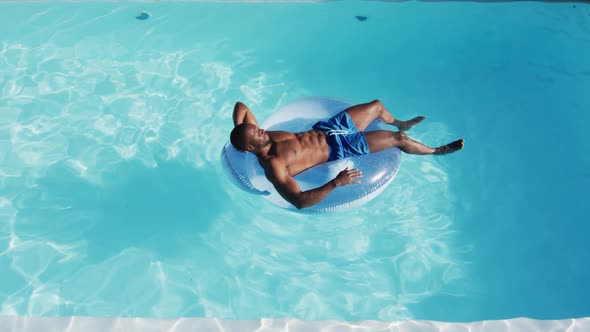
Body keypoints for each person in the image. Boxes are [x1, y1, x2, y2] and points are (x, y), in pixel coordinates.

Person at [230, 99, 464, 210]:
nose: (261, 128)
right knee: (398, 141)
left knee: (377, 106)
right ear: (251, 148)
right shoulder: (274, 165)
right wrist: (335, 183)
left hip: (328, 128)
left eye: (257, 127)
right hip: (340, 147)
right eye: (256, 132)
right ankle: (437, 151)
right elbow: (299, 201)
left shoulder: (263, 136)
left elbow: (241, 107)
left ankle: (402, 123)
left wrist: (241, 132)